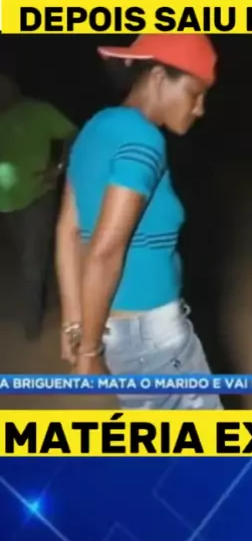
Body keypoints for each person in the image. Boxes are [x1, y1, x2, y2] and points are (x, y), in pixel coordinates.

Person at [55, 34, 223, 410]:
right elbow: (106, 250)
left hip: (122, 333)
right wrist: (88, 351)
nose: (200, 109)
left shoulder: (93, 129)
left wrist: (74, 322)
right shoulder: (144, 139)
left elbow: (68, 231)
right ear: (159, 77)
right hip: (152, 337)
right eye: (195, 94)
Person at [0, 75, 77, 340]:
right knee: (28, 256)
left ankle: (31, 325)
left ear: (14, 88)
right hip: (6, 203)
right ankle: (45, 299)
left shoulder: (38, 111)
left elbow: (72, 134)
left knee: (31, 261)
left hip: (37, 195)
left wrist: (59, 167)